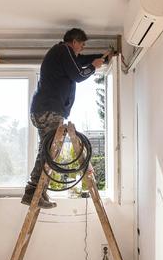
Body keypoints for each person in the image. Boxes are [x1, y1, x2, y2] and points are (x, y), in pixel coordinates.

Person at [21, 28, 112, 209]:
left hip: (45, 110)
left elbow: (80, 61)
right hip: (48, 110)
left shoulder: (63, 54)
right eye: (82, 45)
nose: (82, 49)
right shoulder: (63, 50)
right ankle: (32, 192)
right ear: (75, 41)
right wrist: (94, 66)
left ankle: (38, 191)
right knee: (49, 152)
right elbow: (78, 75)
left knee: (47, 151)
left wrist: (101, 57)